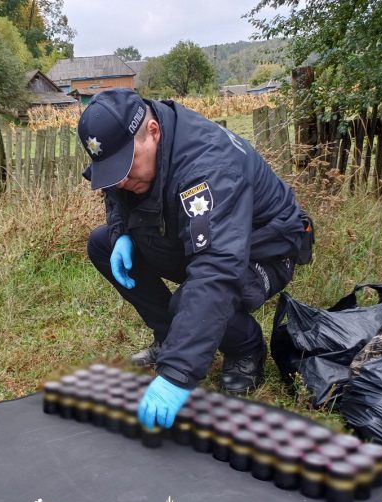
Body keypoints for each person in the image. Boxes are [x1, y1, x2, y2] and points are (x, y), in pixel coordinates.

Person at [79, 88, 313, 430]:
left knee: (193, 296)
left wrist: (176, 374)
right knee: (102, 243)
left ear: (154, 131)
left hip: (265, 248)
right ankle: (169, 336)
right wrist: (121, 233)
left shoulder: (208, 167)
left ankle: (246, 348)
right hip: (203, 236)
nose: (122, 180)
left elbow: (217, 269)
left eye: (126, 167)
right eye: (112, 172)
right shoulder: (139, 150)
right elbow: (117, 192)